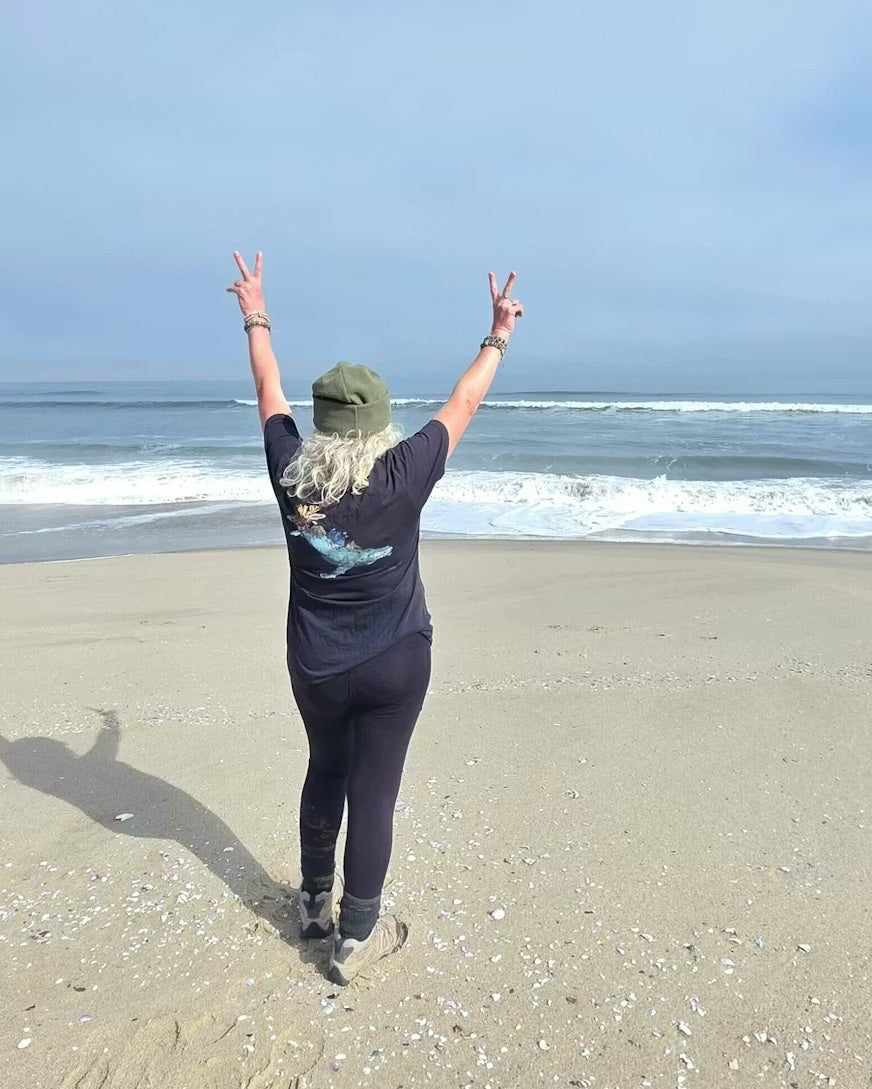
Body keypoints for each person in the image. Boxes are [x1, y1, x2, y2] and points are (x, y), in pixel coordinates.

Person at [226, 252, 524, 985]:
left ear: (322, 425)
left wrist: (255, 311)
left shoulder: (291, 468)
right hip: (396, 661)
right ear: (382, 423)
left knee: (325, 769)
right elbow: (464, 404)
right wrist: (497, 335)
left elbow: (268, 388)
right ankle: (354, 934)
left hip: (318, 666)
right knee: (376, 793)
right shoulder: (404, 471)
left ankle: (312, 903)